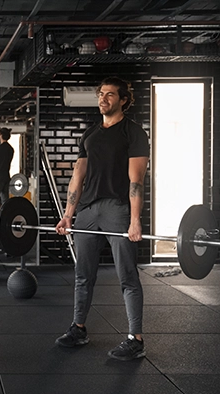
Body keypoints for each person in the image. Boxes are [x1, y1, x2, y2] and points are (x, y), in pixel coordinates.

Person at [54, 76, 150, 361]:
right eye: (100, 93)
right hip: (87, 211)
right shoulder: (90, 134)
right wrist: (68, 214)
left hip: (117, 209)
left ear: (123, 100)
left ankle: (136, 338)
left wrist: (135, 219)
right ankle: (78, 328)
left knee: (127, 275)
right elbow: (77, 176)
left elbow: (136, 180)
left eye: (109, 94)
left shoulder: (133, 133)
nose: (103, 98)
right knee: (83, 274)